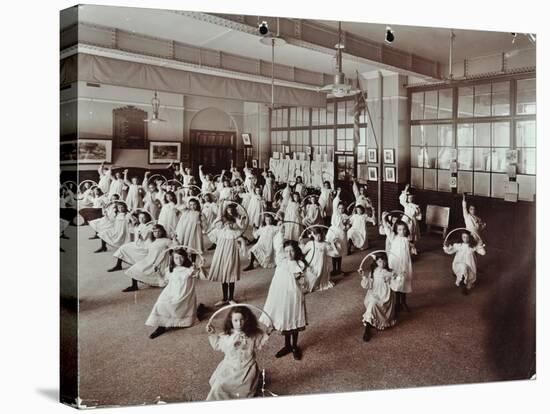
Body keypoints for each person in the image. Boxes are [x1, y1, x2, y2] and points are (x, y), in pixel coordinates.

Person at [206, 306, 272, 400]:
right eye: (235, 320)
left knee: (242, 389)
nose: (239, 324)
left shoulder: (253, 334)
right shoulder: (227, 336)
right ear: (231, 321)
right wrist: (212, 333)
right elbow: (217, 345)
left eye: (242, 320)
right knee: (219, 386)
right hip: (230, 365)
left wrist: (267, 334)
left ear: (247, 320)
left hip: (247, 366)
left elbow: (259, 344)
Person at [260, 236, 308, 360]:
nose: (289, 254)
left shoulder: (299, 264)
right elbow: (277, 244)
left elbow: (304, 281)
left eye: (291, 251)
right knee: (286, 318)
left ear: (296, 251)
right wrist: (280, 232)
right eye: (286, 251)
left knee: (294, 317)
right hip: (282, 296)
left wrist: (302, 279)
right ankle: (287, 345)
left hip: (294, 296)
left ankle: (294, 346)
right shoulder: (281, 262)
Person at [146, 248, 205, 338]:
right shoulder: (170, 269)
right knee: (161, 303)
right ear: (172, 259)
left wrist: (200, 267)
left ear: (185, 258)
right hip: (171, 291)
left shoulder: (189, 269)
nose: (179, 260)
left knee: (176, 304)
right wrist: (158, 273)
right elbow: (163, 283)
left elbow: (200, 276)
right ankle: (161, 326)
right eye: (176, 258)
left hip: (184, 293)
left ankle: (197, 312)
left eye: (181, 257)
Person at [207, 203, 247, 306]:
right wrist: (220, 206)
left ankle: (231, 298)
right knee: (223, 272)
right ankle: (224, 298)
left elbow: (241, 226)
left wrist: (240, 219)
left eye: (231, 210)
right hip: (222, 248)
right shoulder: (222, 222)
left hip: (231, 247)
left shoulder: (236, 220)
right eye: (228, 210)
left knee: (231, 271)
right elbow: (216, 223)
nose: (229, 211)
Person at [122, 224, 174, 292]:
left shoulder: (166, 240)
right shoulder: (152, 241)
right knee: (134, 268)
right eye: (155, 231)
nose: (157, 233)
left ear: (162, 232)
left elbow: (175, 247)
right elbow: (145, 248)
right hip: (149, 260)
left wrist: (174, 239)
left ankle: (138, 285)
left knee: (142, 269)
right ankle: (134, 286)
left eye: (159, 231)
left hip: (159, 261)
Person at [358, 252, 397, 342]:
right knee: (372, 302)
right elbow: (369, 284)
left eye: (384, 261)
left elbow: (396, 280)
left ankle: (367, 328)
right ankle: (368, 326)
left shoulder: (388, 272)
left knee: (373, 304)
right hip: (374, 292)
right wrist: (363, 276)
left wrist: (395, 276)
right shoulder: (374, 271)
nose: (382, 263)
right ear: (376, 262)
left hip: (384, 295)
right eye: (379, 261)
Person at [381, 213, 413, 312]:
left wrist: (413, 248)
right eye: (399, 229)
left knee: (404, 282)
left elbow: (411, 245)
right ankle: (396, 303)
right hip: (395, 264)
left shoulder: (407, 239)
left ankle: (403, 302)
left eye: (404, 229)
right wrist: (383, 219)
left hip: (405, 264)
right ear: (396, 230)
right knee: (396, 283)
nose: (402, 231)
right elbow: (386, 228)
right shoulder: (393, 237)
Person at [302, 227, 339, 292]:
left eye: (319, 235)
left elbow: (334, 254)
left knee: (320, 273)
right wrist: (301, 244)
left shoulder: (325, 244)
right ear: (312, 235)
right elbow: (303, 251)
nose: (318, 237)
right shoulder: (311, 243)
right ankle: (310, 284)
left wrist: (334, 244)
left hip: (321, 263)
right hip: (311, 262)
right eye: (316, 235)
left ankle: (318, 284)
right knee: (311, 273)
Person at [326, 189, 349, 275]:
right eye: (339, 208)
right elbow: (335, 202)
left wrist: (346, 226)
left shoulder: (345, 216)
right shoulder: (335, 214)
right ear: (337, 208)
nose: (341, 209)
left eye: (342, 208)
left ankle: (338, 269)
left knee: (340, 251)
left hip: (341, 233)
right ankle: (334, 269)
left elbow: (348, 225)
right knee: (334, 250)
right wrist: (338, 194)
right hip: (333, 232)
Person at [399, 184, 422, 254]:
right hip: (406, 220)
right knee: (405, 235)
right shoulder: (406, 204)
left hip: (413, 222)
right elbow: (401, 199)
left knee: (412, 236)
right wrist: (406, 189)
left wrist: (415, 217)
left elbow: (419, 216)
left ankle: (412, 249)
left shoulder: (416, 207)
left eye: (412, 198)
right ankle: (404, 249)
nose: (410, 199)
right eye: (409, 198)